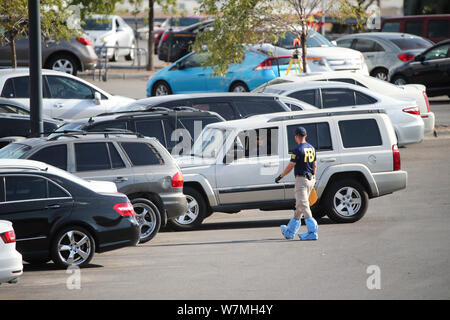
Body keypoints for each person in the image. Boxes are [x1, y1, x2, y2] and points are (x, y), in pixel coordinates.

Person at [275, 126, 318, 240]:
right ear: (305, 136)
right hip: (310, 179)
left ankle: (312, 232)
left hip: (301, 180)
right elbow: (314, 165)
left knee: (303, 205)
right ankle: (290, 231)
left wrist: (281, 176)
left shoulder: (298, 149)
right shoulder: (312, 148)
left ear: (296, 137)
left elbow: (291, 165)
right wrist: (313, 177)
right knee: (299, 206)